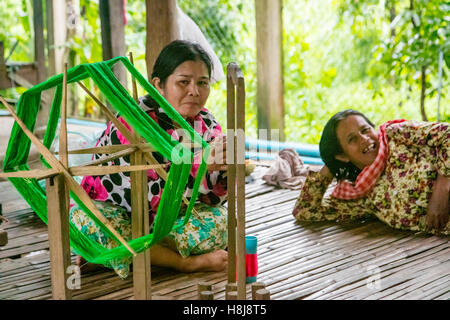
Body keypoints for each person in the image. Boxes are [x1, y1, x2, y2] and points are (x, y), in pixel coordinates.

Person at [72, 40, 228, 278]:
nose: (194, 91)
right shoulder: (131, 123)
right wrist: (200, 166)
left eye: (202, 83)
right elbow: (145, 198)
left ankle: (121, 257)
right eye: (183, 82)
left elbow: (212, 200)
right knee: (82, 221)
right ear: (159, 85)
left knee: (221, 222)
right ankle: (183, 263)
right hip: (119, 211)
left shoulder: (205, 123)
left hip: (166, 221)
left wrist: (226, 170)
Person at [292, 109, 449, 236]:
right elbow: (305, 210)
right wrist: (331, 165)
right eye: (352, 139)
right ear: (342, 155)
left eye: (365, 130)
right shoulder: (360, 196)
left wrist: (442, 188)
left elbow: (447, 134)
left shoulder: (395, 135)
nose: (364, 139)